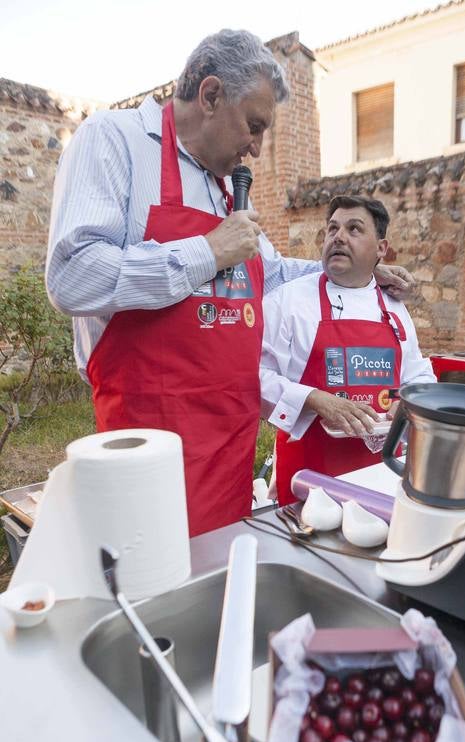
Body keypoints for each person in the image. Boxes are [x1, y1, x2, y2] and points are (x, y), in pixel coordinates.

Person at [46, 30, 414, 537]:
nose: (258, 149)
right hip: (150, 448)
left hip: (231, 448)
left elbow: (272, 273)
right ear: (212, 95)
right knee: (157, 587)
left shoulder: (223, 187)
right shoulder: (114, 141)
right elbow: (72, 275)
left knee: (221, 585)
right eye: (254, 126)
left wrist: (355, 274)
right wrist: (207, 251)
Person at [260, 195, 436, 505]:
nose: (339, 236)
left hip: (380, 471)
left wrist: (409, 403)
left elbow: (417, 374)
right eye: (332, 229)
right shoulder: (287, 301)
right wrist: (315, 399)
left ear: (381, 249)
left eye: (354, 229)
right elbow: (253, 375)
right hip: (308, 475)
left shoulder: (394, 308)